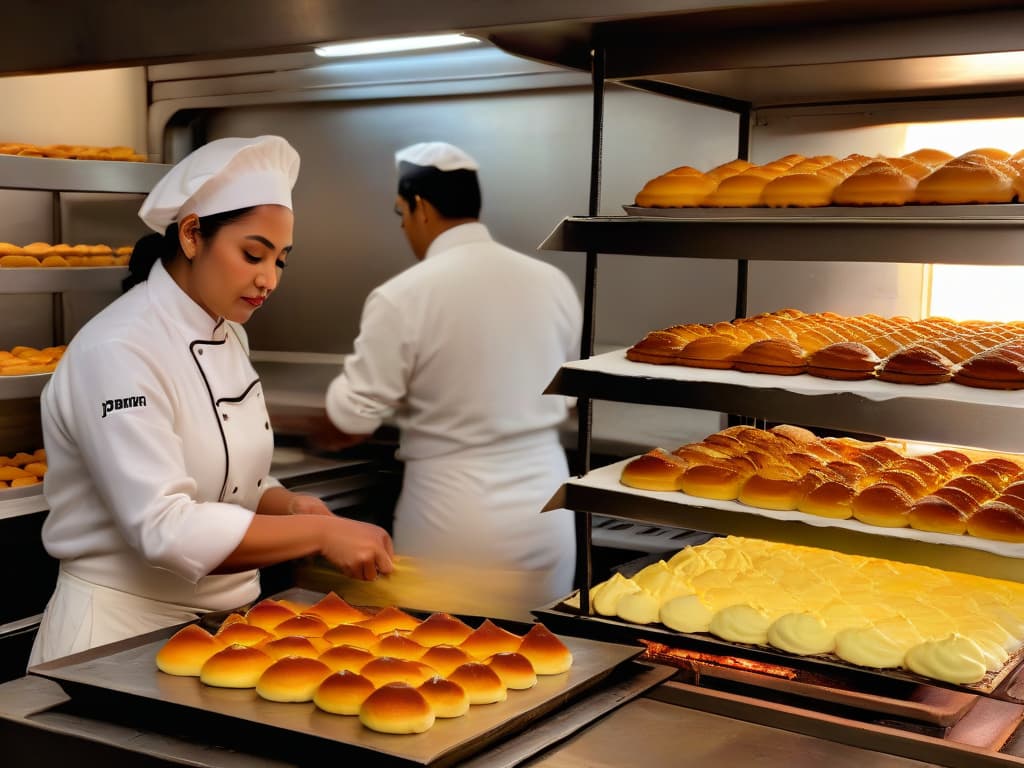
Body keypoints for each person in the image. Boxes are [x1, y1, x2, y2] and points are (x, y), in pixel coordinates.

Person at [29, 135, 393, 666]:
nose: (268, 279)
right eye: (252, 254)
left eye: (281, 261)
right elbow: (164, 528)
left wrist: (288, 506)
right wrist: (318, 532)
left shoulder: (229, 333)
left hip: (225, 630)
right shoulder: (119, 349)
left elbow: (225, 474)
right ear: (193, 234)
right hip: (117, 636)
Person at [319, 141, 582, 619]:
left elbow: (354, 415)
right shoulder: (552, 283)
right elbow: (567, 397)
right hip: (547, 506)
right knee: (544, 650)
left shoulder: (403, 295)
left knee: (445, 658)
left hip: (457, 518)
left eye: (400, 214)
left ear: (419, 206)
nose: (404, 228)